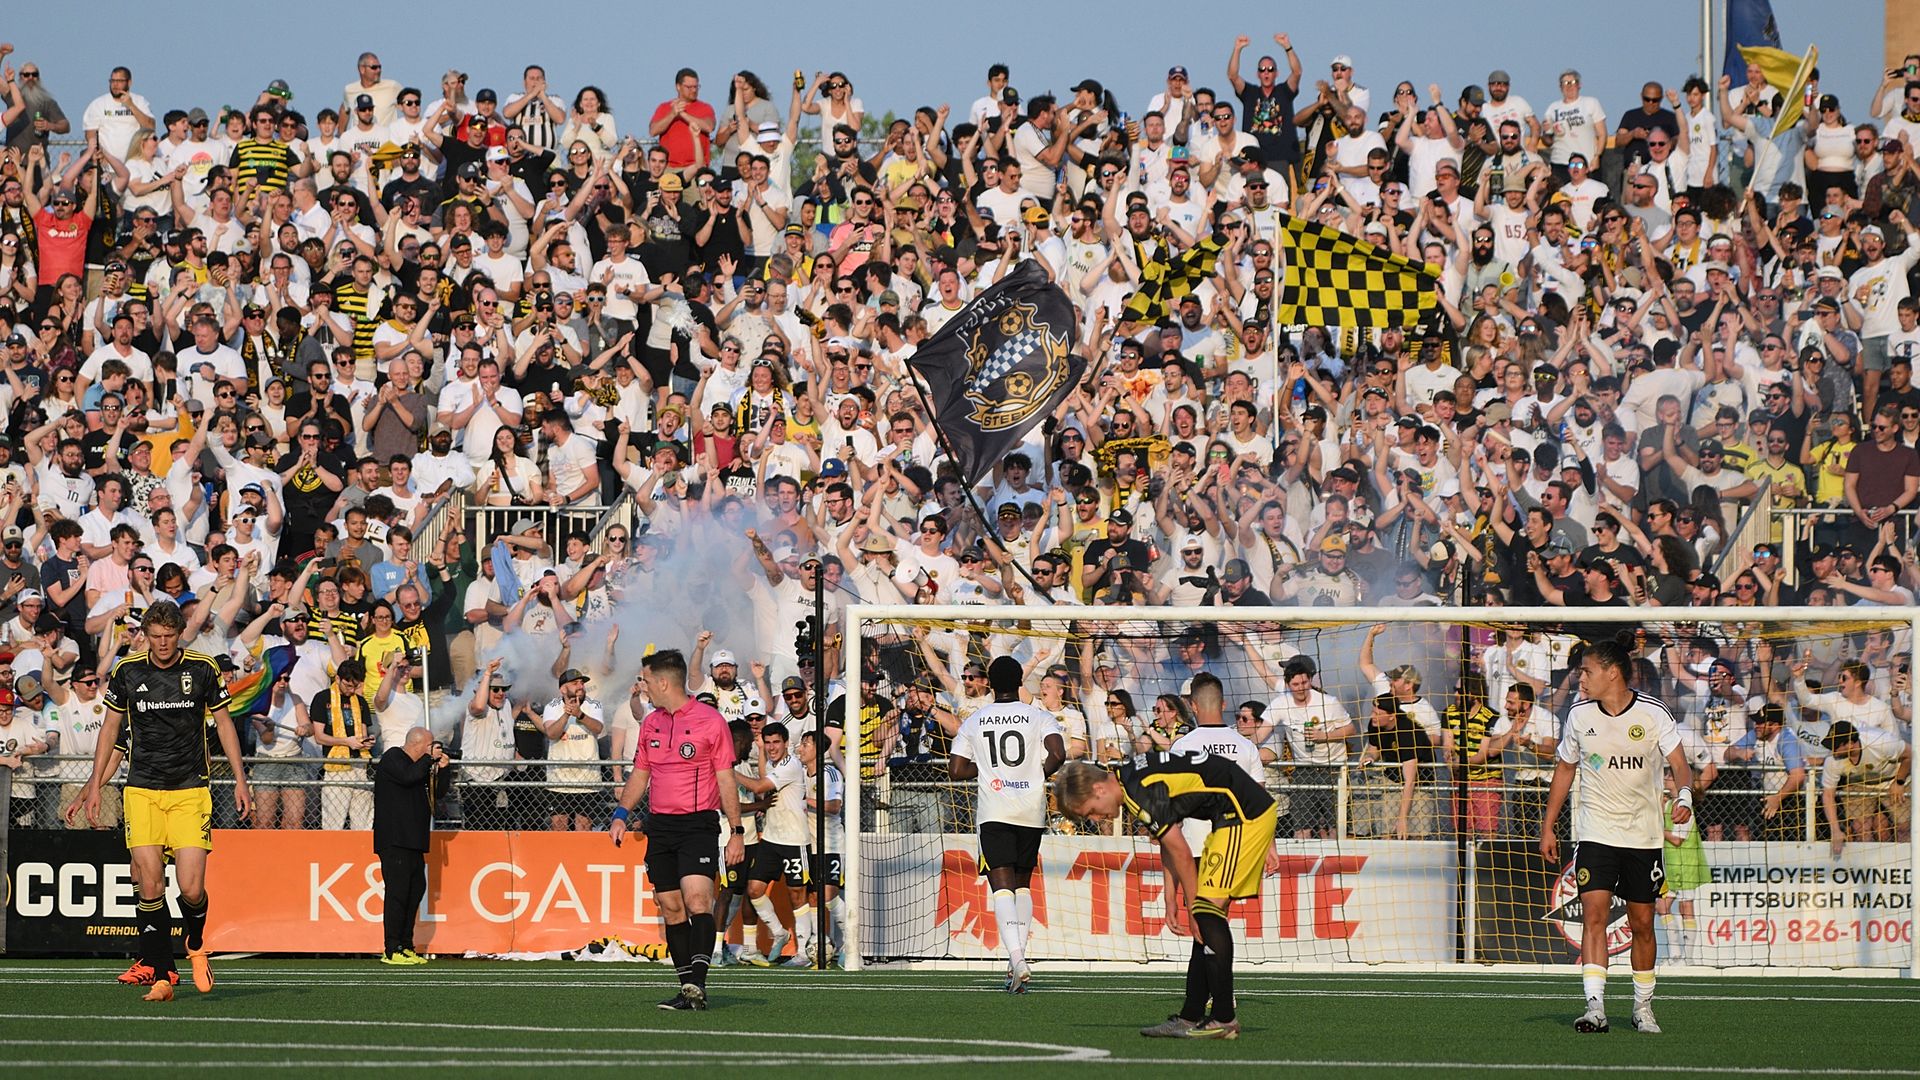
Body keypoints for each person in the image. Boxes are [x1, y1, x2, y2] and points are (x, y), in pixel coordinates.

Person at [75, 600, 250, 1000]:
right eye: (155, 637)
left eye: (169, 636)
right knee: (149, 883)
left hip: (190, 790)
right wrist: (94, 784)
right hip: (141, 789)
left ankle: (194, 942)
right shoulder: (127, 670)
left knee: (190, 889)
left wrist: (241, 780)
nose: (163, 643)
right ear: (145, 636)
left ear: (178, 633)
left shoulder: (202, 669)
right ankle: (159, 976)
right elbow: (111, 730)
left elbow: (224, 725)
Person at [1056, 751, 1279, 1039]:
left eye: (1091, 811)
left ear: (1099, 789)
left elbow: (1182, 853)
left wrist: (1192, 907)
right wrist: (1171, 897)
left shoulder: (1138, 792)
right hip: (1231, 815)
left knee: (1207, 914)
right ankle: (1191, 1016)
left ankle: (1224, 1017)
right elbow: (1168, 840)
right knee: (1207, 918)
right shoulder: (1132, 778)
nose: (1098, 818)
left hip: (1244, 814)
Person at [1538, 639, 1695, 1035]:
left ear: (1612, 672)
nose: (1581, 677)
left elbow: (1680, 764)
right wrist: (1548, 824)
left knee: (1643, 922)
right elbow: (1565, 769)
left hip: (1643, 837)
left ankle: (1642, 1008)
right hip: (1595, 833)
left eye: (1587, 670)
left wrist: (1685, 796)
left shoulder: (1653, 713)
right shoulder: (1578, 716)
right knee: (1594, 915)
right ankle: (1595, 1008)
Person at [609, 648, 744, 1012]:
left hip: (698, 823)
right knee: (670, 908)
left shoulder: (710, 721)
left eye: (646, 680)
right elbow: (641, 773)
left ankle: (698, 984)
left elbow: (725, 778)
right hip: (660, 826)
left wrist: (736, 830)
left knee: (698, 900)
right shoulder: (651, 722)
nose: (643, 686)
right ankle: (686, 987)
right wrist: (621, 812)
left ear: (664, 682)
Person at [948, 655, 1066, 993]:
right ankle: (1018, 961)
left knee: (1001, 886)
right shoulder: (1039, 715)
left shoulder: (975, 720)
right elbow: (1058, 754)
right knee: (1023, 884)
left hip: (995, 809)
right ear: (1019, 683)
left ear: (990, 684)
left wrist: (987, 771)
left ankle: (1016, 959)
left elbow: (956, 770)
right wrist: (1033, 774)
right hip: (1031, 809)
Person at [371, 725, 448, 965]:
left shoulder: (420, 766)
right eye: (429, 745)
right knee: (397, 894)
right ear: (417, 744)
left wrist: (443, 770)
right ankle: (391, 948)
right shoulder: (393, 758)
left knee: (415, 891)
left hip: (414, 840)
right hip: (395, 839)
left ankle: (406, 944)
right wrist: (428, 759)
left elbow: (439, 793)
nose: (432, 750)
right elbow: (407, 777)